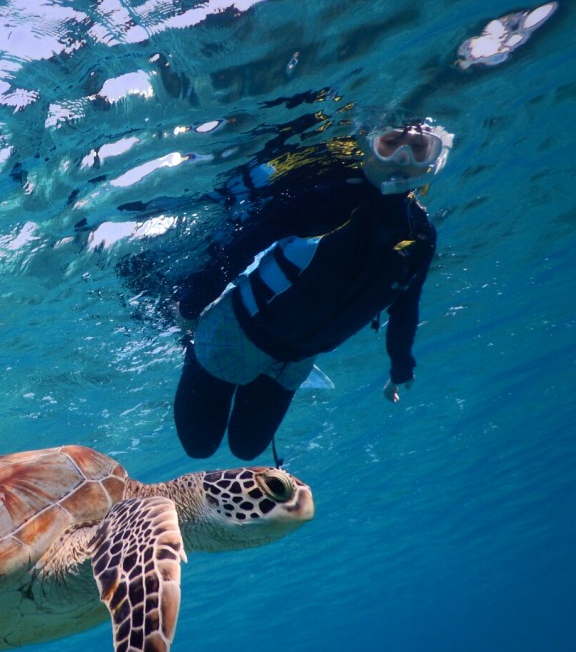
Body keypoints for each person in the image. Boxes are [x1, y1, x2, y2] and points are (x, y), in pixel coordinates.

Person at [172, 120, 446, 461]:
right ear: (370, 146)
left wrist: (400, 367)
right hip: (237, 332)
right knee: (199, 446)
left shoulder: (420, 233)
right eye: (390, 143)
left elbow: (405, 306)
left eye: (419, 149)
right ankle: (192, 349)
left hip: (295, 359)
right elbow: (246, 244)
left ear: (435, 159)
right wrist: (192, 303)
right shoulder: (328, 194)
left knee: (247, 449)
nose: (402, 159)